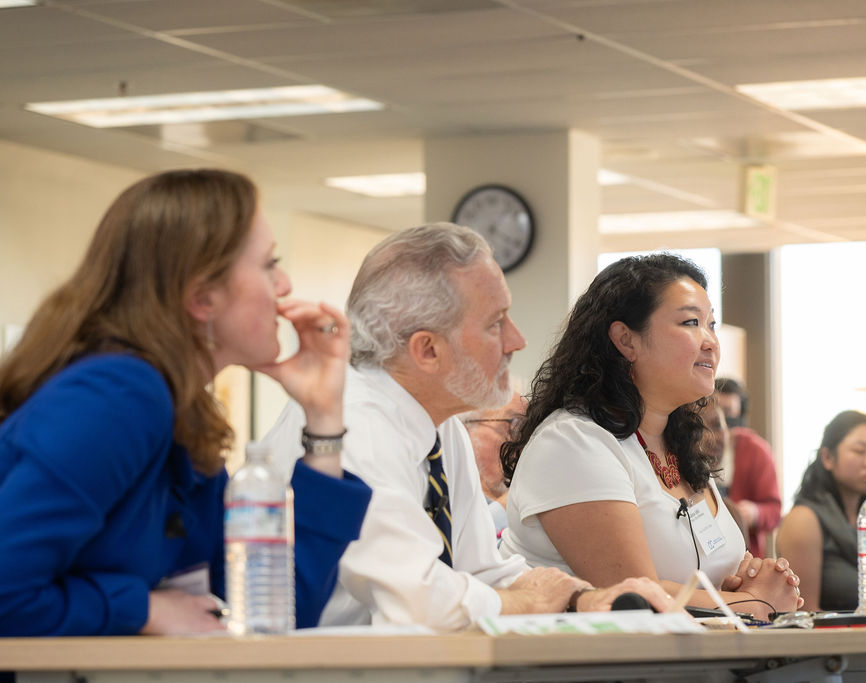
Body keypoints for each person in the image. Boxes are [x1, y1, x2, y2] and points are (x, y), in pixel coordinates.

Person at [0, 169, 371, 637]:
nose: (283, 286)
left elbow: (270, 614)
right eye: (269, 264)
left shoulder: (184, 414)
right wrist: (144, 610)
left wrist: (323, 417)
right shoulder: (118, 395)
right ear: (202, 298)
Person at [262, 223, 671, 631]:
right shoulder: (354, 424)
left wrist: (584, 598)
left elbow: (481, 570)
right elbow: (421, 603)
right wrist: (530, 601)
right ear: (428, 350)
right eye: (496, 323)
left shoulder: (437, 423)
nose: (517, 340)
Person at [499, 253, 801, 623]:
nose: (710, 342)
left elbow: (722, 579)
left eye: (711, 324)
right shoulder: (572, 442)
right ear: (626, 340)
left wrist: (752, 582)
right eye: (691, 322)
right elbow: (635, 593)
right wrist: (757, 604)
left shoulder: (678, 446)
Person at [775, 410, 866, 612]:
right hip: (833, 641)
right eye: (860, 451)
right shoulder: (804, 520)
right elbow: (805, 613)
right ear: (827, 457)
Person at [699, 399, 781, 558]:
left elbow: (774, 512)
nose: (711, 437)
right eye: (700, 429)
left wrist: (754, 513)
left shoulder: (755, 450)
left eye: (717, 425)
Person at [460, 392, 528, 536]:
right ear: (465, 433)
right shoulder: (443, 503)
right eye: (516, 426)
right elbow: (457, 550)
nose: (525, 443)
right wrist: (508, 504)